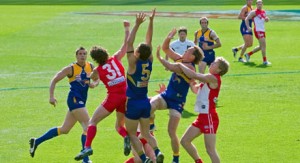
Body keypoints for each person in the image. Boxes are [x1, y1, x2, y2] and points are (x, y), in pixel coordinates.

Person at [74, 20, 131, 161]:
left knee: (92, 122)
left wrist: (86, 80)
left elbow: (90, 82)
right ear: (105, 52)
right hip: (126, 96)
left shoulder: (97, 70)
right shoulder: (116, 58)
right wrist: (127, 29)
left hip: (113, 98)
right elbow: (126, 45)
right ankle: (126, 137)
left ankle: (87, 147)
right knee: (119, 126)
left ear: (95, 59)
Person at [29, 46, 97, 163]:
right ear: (76, 56)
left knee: (64, 129)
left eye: (84, 54)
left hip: (81, 101)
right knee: (88, 126)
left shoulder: (90, 66)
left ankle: (36, 141)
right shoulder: (70, 68)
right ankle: (85, 159)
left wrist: (94, 84)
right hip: (75, 100)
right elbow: (55, 80)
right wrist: (51, 96)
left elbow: (97, 78)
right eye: (80, 54)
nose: (82, 56)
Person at [151, 28, 204, 163]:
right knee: (150, 105)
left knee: (171, 132)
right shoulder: (181, 59)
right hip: (167, 96)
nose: (185, 51)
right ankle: (151, 125)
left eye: (188, 51)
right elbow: (166, 48)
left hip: (177, 102)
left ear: (192, 57)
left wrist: (159, 58)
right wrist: (169, 37)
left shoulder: (190, 68)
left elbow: (171, 67)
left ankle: (176, 158)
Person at [125, 9, 164, 163]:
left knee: (132, 134)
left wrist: (137, 25)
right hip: (145, 103)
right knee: (147, 134)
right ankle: (158, 151)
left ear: (137, 53)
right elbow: (149, 42)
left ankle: (143, 158)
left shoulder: (132, 64)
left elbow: (129, 43)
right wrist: (151, 22)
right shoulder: (149, 61)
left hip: (133, 103)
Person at [179, 57, 229, 163]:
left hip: (209, 117)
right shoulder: (207, 80)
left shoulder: (213, 78)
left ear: (219, 70)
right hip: (202, 117)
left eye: (214, 63)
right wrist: (190, 81)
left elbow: (195, 75)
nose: (211, 64)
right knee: (185, 141)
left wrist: (180, 65)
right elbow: (195, 89)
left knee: (210, 150)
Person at [244, 0, 271, 65]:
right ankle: (265, 61)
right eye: (258, 4)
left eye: (260, 4)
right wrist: (248, 27)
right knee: (264, 46)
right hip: (258, 30)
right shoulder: (254, 12)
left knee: (261, 46)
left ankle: (248, 54)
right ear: (256, 4)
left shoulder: (263, 11)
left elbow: (264, 19)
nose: (259, 5)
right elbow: (246, 19)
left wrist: (267, 19)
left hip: (262, 30)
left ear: (262, 4)